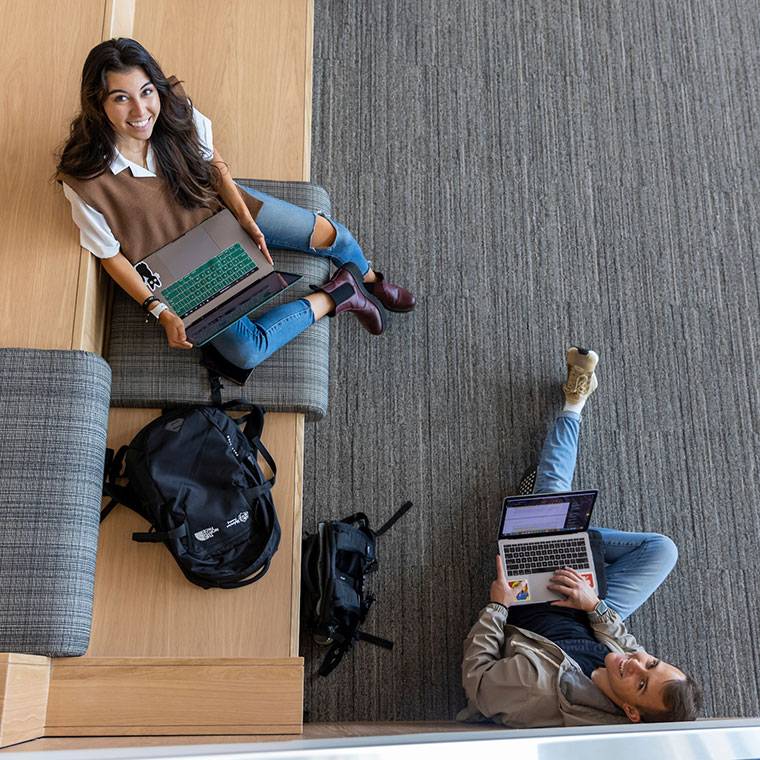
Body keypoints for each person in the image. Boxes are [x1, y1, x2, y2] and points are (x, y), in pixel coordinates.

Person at [56, 38, 415, 379]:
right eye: (121, 98)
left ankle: (370, 280)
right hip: (182, 266)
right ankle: (341, 293)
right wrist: (160, 311)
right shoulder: (85, 179)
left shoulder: (175, 109)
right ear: (98, 103)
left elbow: (213, 163)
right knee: (246, 351)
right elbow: (110, 256)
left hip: (222, 207)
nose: (140, 110)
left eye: (146, 92)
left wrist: (246, 218)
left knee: (331, 235)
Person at [458, 347, 703, 727]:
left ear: (631, 712)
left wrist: (497, 609)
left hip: (529, 606)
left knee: (554, 491)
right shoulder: (626, 662)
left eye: (640, 684)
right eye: (652, 662)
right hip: (585, 610)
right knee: (662, 550)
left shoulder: (539, 693)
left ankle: (574, 402)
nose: (636, 663)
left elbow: (476, 679)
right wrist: (594, 607)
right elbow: (628, 645)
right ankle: (546, 521)